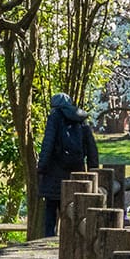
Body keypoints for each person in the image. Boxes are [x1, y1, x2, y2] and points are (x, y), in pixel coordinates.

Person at [35, 93, 99, 237]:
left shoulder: (54, 117)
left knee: (51, 208)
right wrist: (93, 169)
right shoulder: (80, 118)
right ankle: (73, 238)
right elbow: (91, 146)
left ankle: (48, 239)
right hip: (77, 171)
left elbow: (48, 143)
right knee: (74, 208)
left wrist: (42, 167)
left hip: (54, 172)